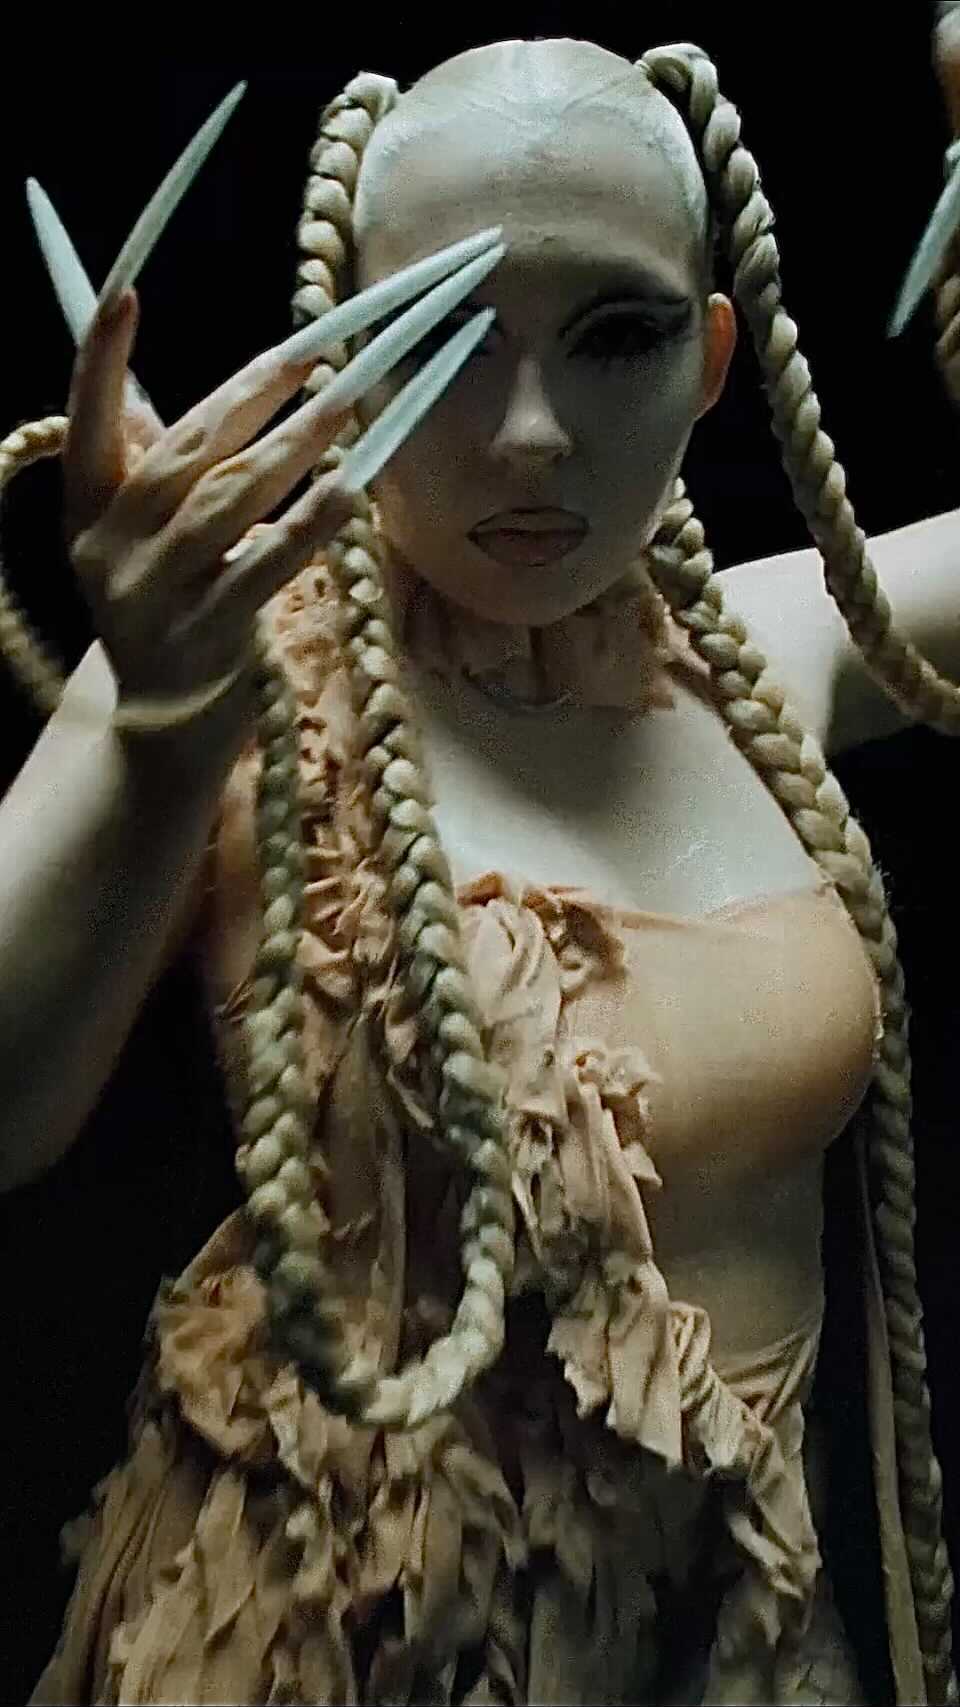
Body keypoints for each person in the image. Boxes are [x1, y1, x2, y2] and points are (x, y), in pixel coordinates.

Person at [1, 28, 959, 1707]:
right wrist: (158, 727)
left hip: (739, 1648)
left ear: (712, 355)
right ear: (346, 357)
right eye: (444, 338)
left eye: (617, 336)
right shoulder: (236, 683)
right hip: (333, 1648)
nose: (530, 437)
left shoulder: (767, 657)